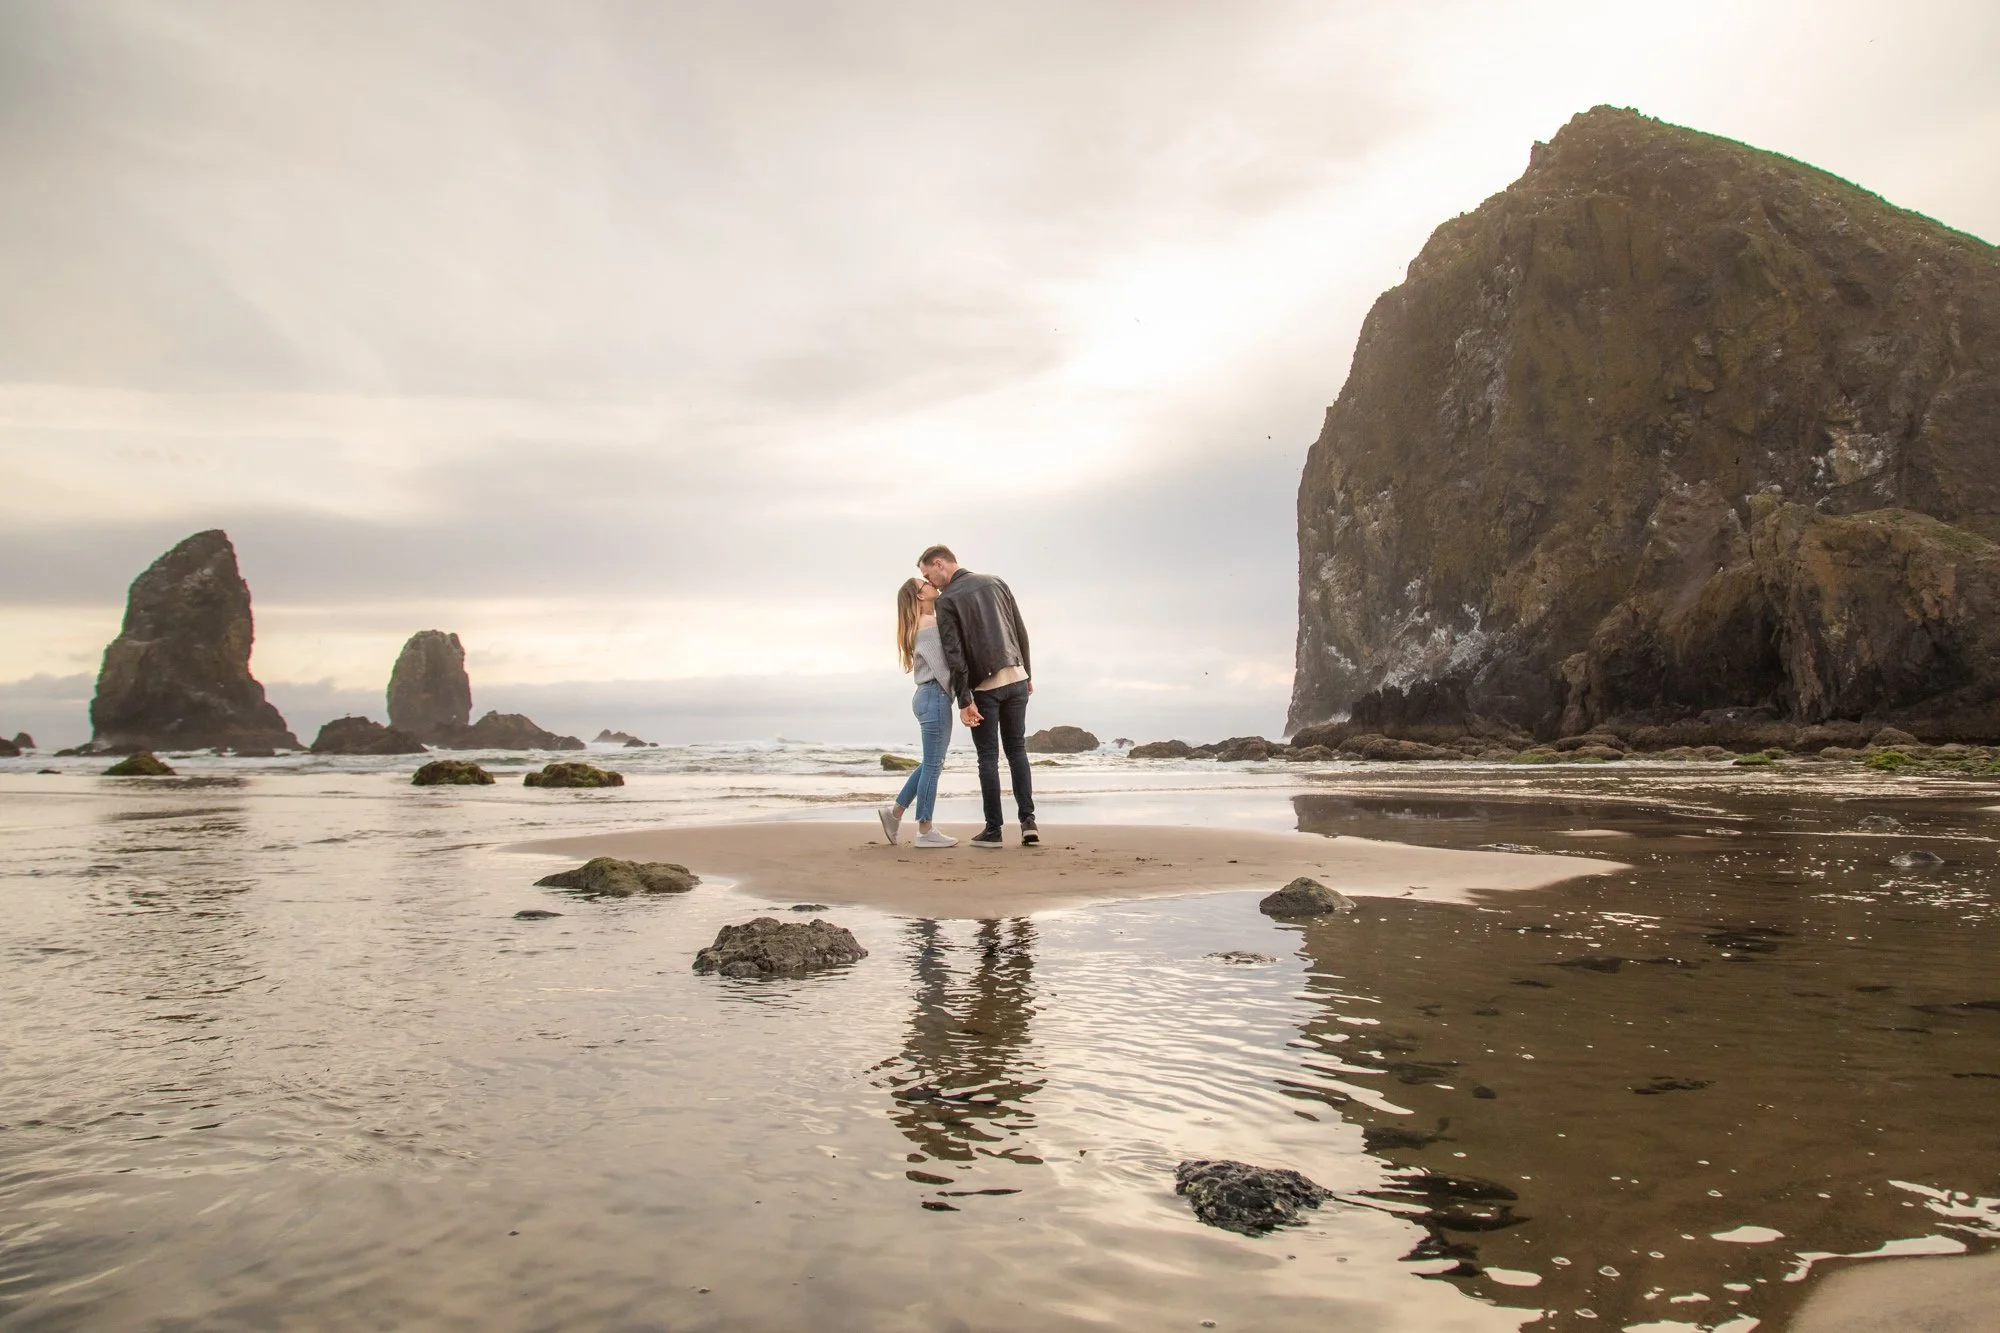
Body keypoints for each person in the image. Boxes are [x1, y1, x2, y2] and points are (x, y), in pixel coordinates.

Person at [919, 544, 1037, 848]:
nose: (928, 582)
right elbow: (1020, 631)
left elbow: (954, 653)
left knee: (988, 757)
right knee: (1017, 751)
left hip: (984, 688)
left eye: (927, 573)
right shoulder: (996, 581)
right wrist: (1028, 674)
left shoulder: (947, 601)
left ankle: (994, 830)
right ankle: (1028, 823)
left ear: (939, 563)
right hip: (1016, 677)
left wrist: (964, 699)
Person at [878, 576, 957, 848]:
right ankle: (925, 830)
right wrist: (963, 696)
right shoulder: (928, 623)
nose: (930, 583)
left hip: (927, 696)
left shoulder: (920, 624)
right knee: (933, 765)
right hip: (934, 695)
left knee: (930, 763)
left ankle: (894, 814)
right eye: (924, 583)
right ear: (920, 596)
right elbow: (944, 668)